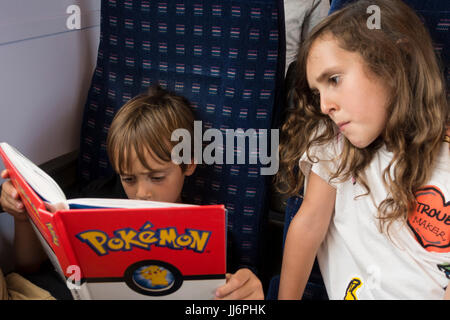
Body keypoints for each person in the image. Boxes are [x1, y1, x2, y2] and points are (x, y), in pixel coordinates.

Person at [1, 85, 263, 300]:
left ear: (189, 163)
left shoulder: (210, 233)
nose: (141, 193)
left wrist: (246, 292)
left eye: (157, 177)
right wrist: (23, 215)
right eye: (128, 178)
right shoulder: (94, 200)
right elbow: (29, 269)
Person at [276, 0, 449, 299]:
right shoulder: (332, 141)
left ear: (395, 63)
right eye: (318, 92)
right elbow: (308, 224)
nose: (324, 105)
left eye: (334, 79)